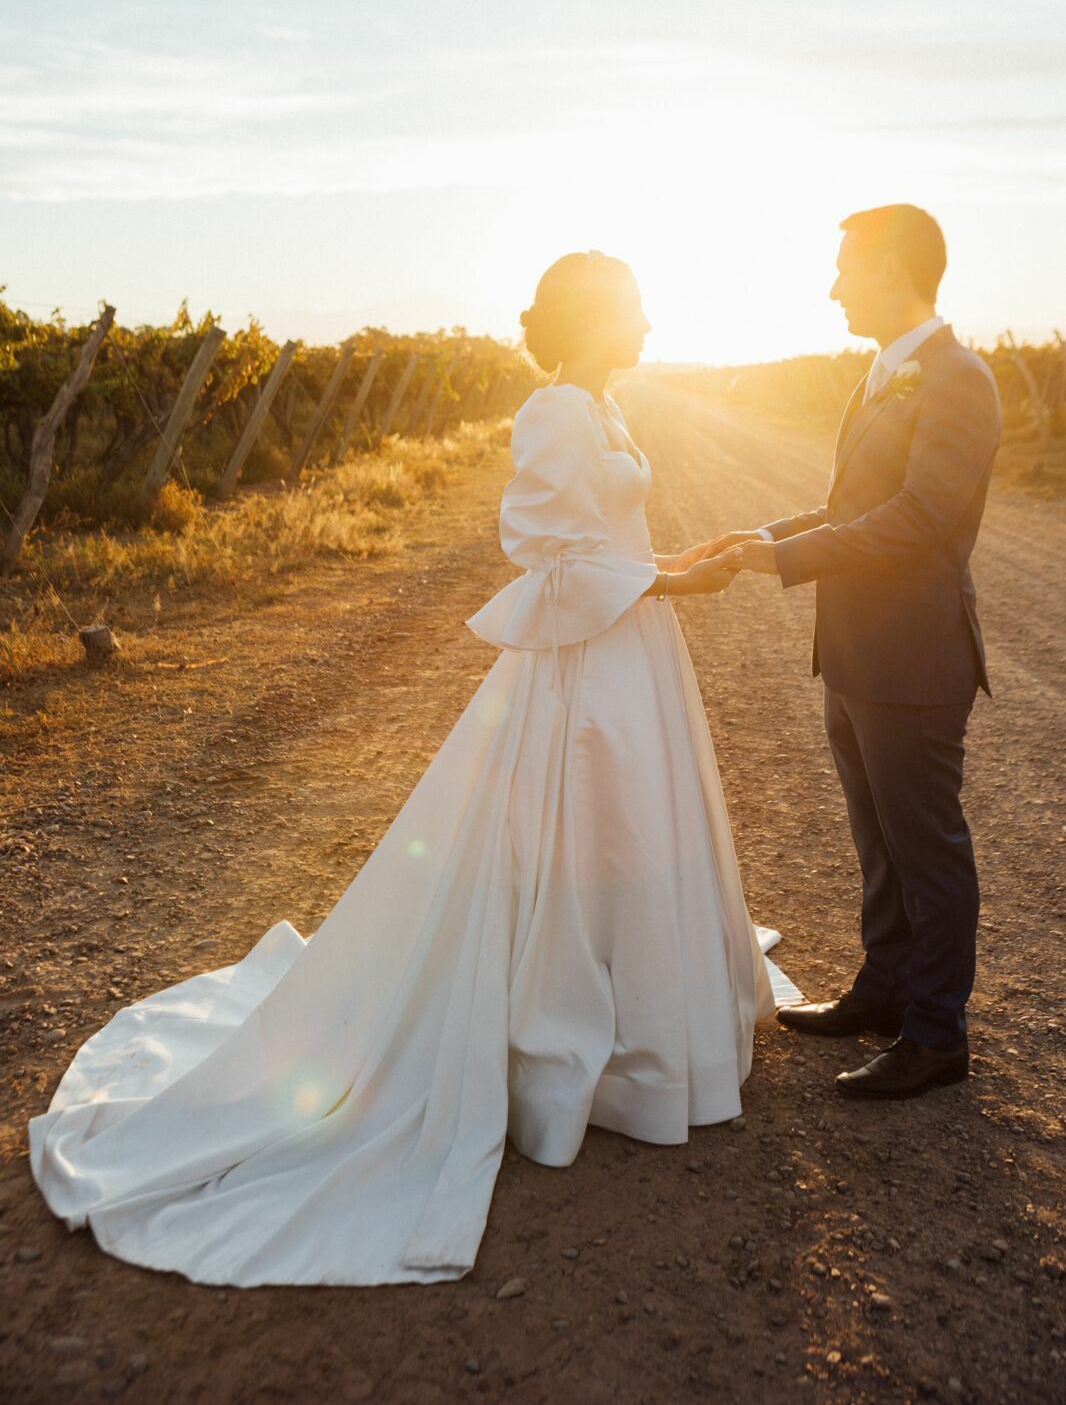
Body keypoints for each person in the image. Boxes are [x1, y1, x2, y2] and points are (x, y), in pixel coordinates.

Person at [27, 250, 796, 1288]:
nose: (650, 323)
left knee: (634, 835)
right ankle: (574, 1050)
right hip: (584, 672)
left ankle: (638, 1037)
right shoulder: (555, 411)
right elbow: (546, 553)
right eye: (634, 309)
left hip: (632, 649)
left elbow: (603, 540)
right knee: (581, 841)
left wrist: (673, 567)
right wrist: (670, 587)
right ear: (589, 320)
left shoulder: (602, 404)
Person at [701, 205, 1001, 1101]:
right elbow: (850, 502)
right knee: (878, 840)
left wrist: (788, 558)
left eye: (847, 269)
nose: (833, 287)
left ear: (898, 271)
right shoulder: (885, 371)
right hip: (857, 653)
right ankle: (884, 990)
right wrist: (758, 536)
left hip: (913, 660)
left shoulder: (959, 378)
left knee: (927, 848)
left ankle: (937, 1033)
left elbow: (917, 518)